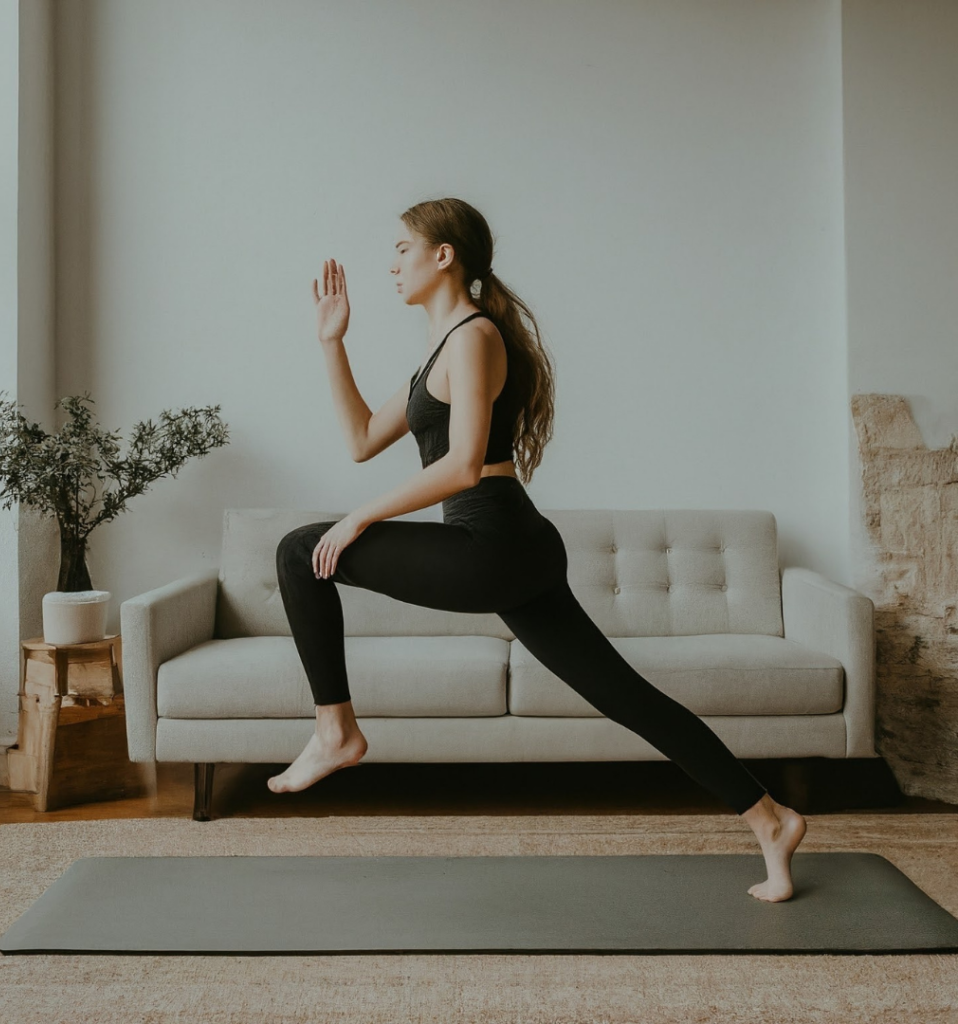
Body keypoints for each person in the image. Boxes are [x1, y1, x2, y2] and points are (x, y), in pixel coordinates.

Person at [271, 197, 807, 902]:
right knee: (627, 697)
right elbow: (363, 438)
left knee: (298, 551)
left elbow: (463, 466)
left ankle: (336, 733)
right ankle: (770, 819)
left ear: (444, 256)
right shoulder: (444, 348)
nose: (391, 262)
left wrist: (357, 521)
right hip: (512, 546)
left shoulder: (474, 337)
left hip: (490, 542)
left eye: (403, 247)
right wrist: (331, 343)